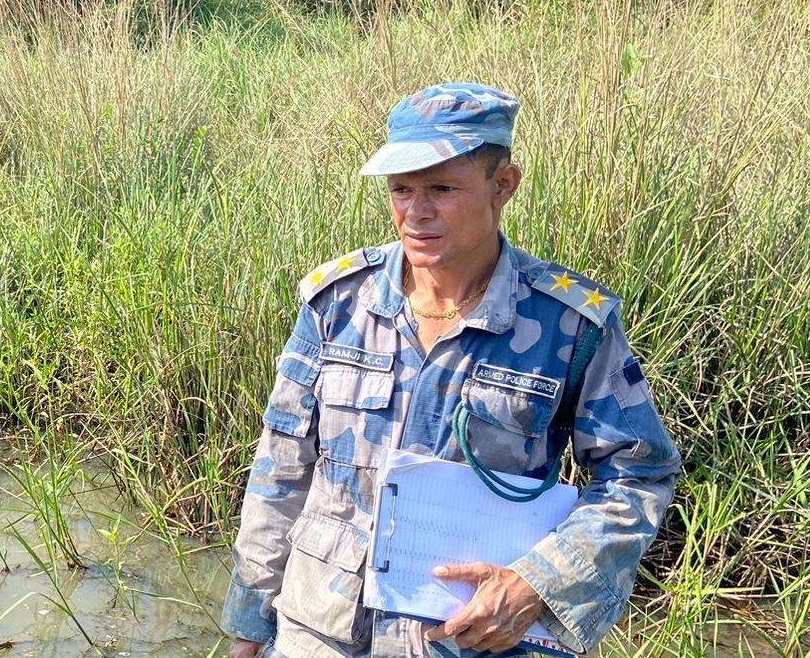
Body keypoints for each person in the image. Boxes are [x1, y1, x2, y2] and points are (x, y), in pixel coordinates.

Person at [220, 83, 680, 658]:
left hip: (470, 640)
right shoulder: (337, 302)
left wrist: (539, 583)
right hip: (322, 634)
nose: (417, 212)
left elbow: (639, 473)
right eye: (401, 189)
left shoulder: (569, 325)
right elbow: (280, 470)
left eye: (442, 188)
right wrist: (248, 627)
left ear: (502, 186)